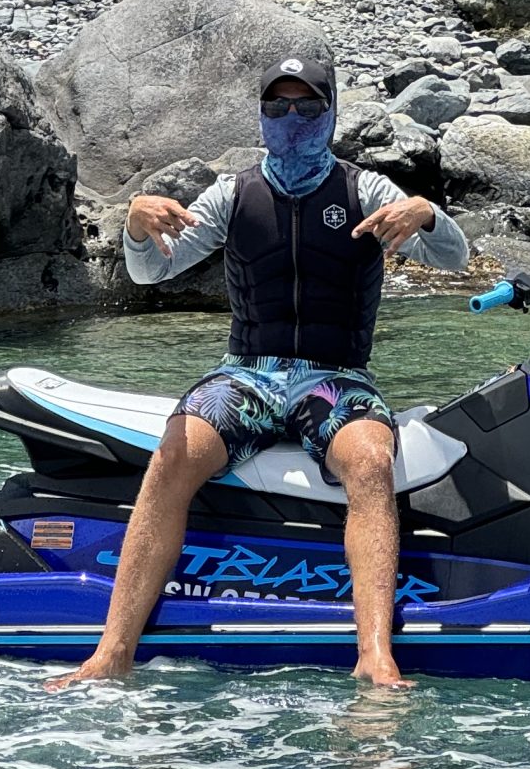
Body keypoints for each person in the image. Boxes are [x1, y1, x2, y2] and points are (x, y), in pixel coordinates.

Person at [47, 50, 469, 691]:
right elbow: (151, 270)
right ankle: (113, 651)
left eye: (306, 105)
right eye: (277, 106)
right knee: (174, 455)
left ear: (330, 114)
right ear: (261, 114)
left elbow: (454, 260)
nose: (291, 117)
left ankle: (376, 656)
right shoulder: (232, 194)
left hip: (335, 378)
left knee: (372, 462)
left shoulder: (366, 191)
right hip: (247, 375)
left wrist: (429, 215)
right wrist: (135, 226)